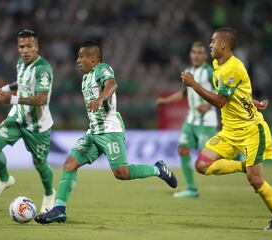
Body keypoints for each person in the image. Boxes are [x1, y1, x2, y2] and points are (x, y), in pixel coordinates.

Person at [34, 40, 177, 224]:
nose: (77, 60)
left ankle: (158, 169)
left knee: (121, 173)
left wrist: (100, 99)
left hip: (110, 130)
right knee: (70, 164)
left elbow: (112, 85)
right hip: (94, 132)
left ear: (93, 59)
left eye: (81, 56)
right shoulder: (86, 78)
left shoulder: (102, 69)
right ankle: (59, 210)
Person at [181, 27, 272, 231]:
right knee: (201, 165)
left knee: (255, 181)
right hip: (229, 132)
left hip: (251, 131)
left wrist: (194, 84)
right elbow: (236, 93)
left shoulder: (233, 67)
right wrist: (253, 102)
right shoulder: (216, 64)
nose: (209, 45)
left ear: (223, 45)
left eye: (212, 41)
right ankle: (241, 166)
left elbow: (220, 101)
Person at [0, 29, 56, 213]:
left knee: (40, 165)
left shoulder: (44, 69)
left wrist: (10, 99)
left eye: (29, 46)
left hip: (37, 126)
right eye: (21, 47)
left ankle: (49, 194)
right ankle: (5, 179)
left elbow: (41, 98)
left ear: (37, 47)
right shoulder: (20, 63)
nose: (25, 50)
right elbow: (21, 82)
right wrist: (2, 88)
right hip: (17, 117)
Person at [157, 42, 217, 198]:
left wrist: (209, 106)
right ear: (190, 54)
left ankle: (237, 156)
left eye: (200, 52)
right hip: (191, 120)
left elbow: (221, 94)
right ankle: (191, 188)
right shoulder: (188, 72)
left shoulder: (210, 72)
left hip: (207, 121)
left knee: (208, 159)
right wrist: (166, 101)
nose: (196, 55)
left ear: (205, 55)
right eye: (194, 52)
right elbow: (184, 94)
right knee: (182, 149)